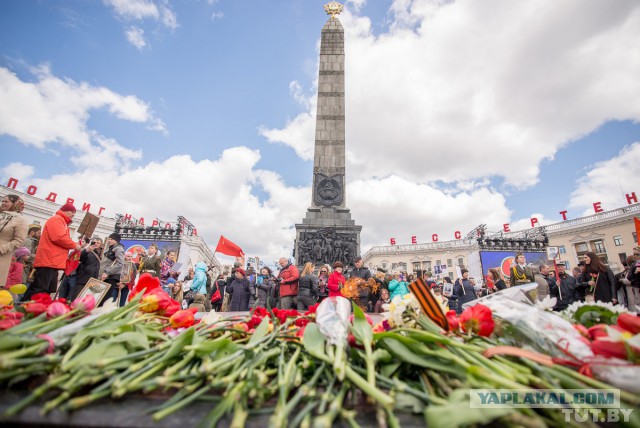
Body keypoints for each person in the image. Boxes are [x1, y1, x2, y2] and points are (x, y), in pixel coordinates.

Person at [22, 203, 82, 301]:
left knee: (46, 289)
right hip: (49, 260)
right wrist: (75, 245)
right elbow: (58, 237)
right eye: (72, 212)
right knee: (39, 288)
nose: (73, 215)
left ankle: (37, 307)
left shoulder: (61, 221)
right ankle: (25, 307)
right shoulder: (57, 219)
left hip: (53, 261)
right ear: (65, 210)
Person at [0, 194, 28, 289]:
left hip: (2, 256)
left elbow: (19, 240)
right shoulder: (1, 216)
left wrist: (2, 249)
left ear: (15, 204)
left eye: (6, 201)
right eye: (2, 201)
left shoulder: (20, 220)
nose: (3, 203)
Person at [99, 233, 125, 305]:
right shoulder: (110, 248)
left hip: (110, 277)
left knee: (105, 299)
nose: (109, 240)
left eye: (111, 239)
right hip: (104, 276)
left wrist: (107, 272)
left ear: (116, 240)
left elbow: (120, 264)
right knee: (100, 297)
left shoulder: (119, 249)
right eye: (109, 239)